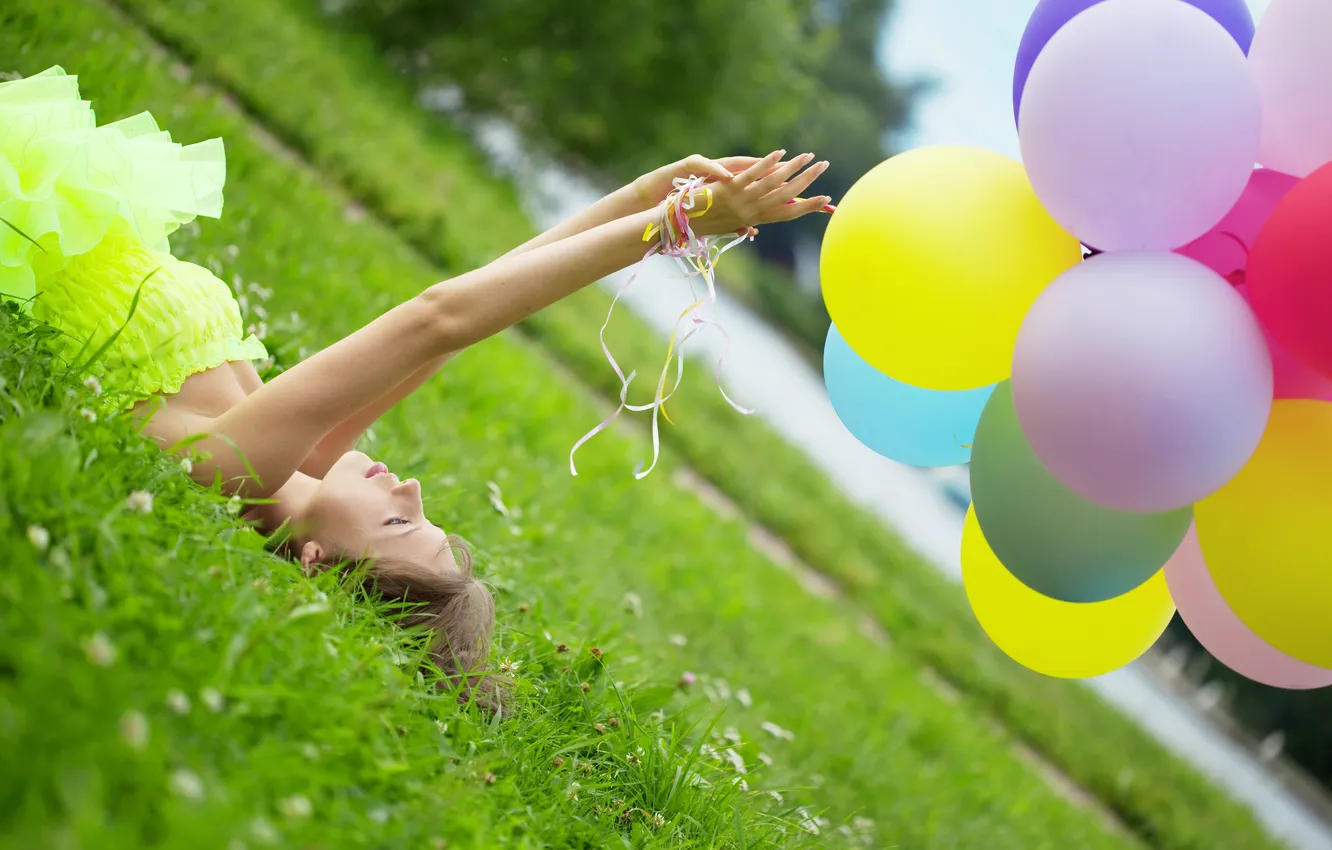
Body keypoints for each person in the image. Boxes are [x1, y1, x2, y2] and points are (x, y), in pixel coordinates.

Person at [3, 67, 831, 714]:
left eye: (401, 521)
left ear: (320, 566)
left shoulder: (234, 472)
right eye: (423, 512)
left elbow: (439, 318)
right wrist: (644, 198)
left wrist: (674, 231)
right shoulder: (304, 459)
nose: (412, 484)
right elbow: (478, 306)